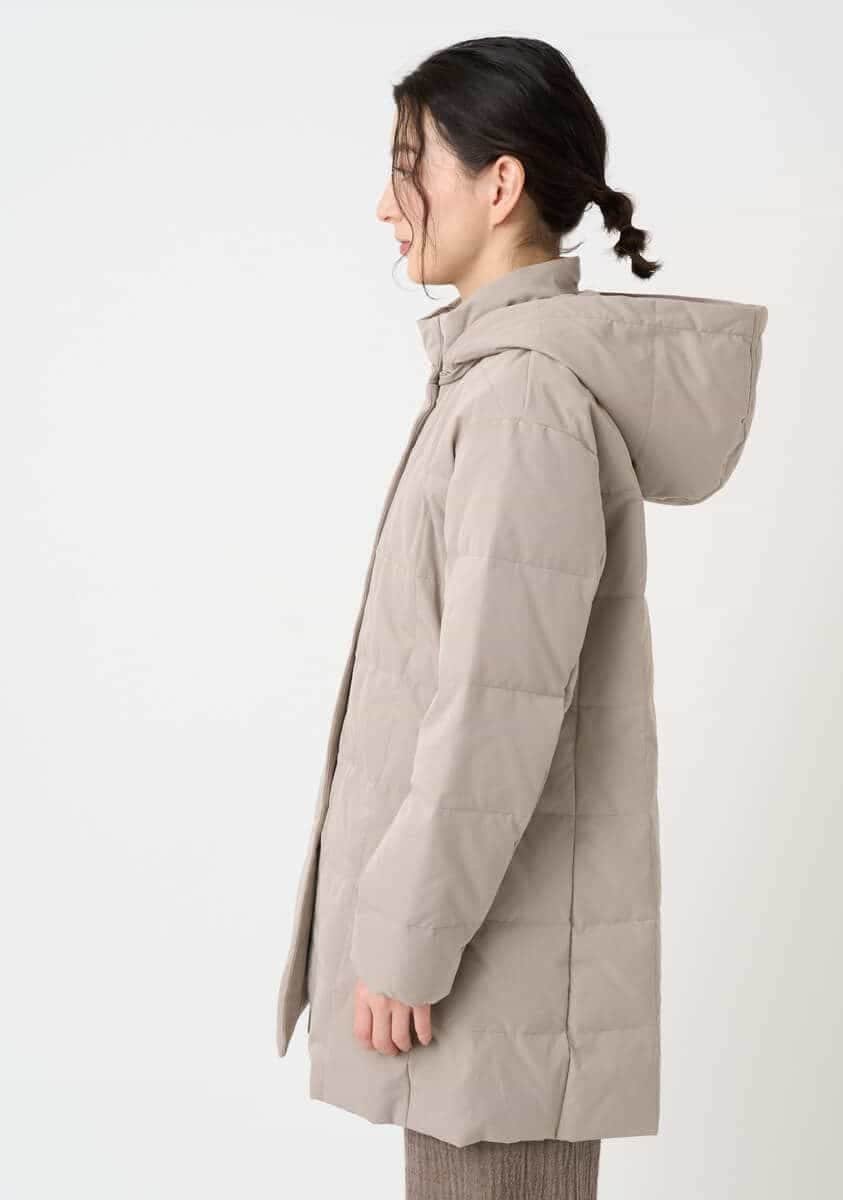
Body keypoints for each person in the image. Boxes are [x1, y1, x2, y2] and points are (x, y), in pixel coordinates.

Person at [276, 35, 768, 1200]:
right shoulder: (494, 385)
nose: (386, 205)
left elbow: (494, 708)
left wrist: (406, 936)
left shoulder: (521, 400)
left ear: (498, 184)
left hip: (490, 974)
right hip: (490, 964)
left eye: (408, 167)